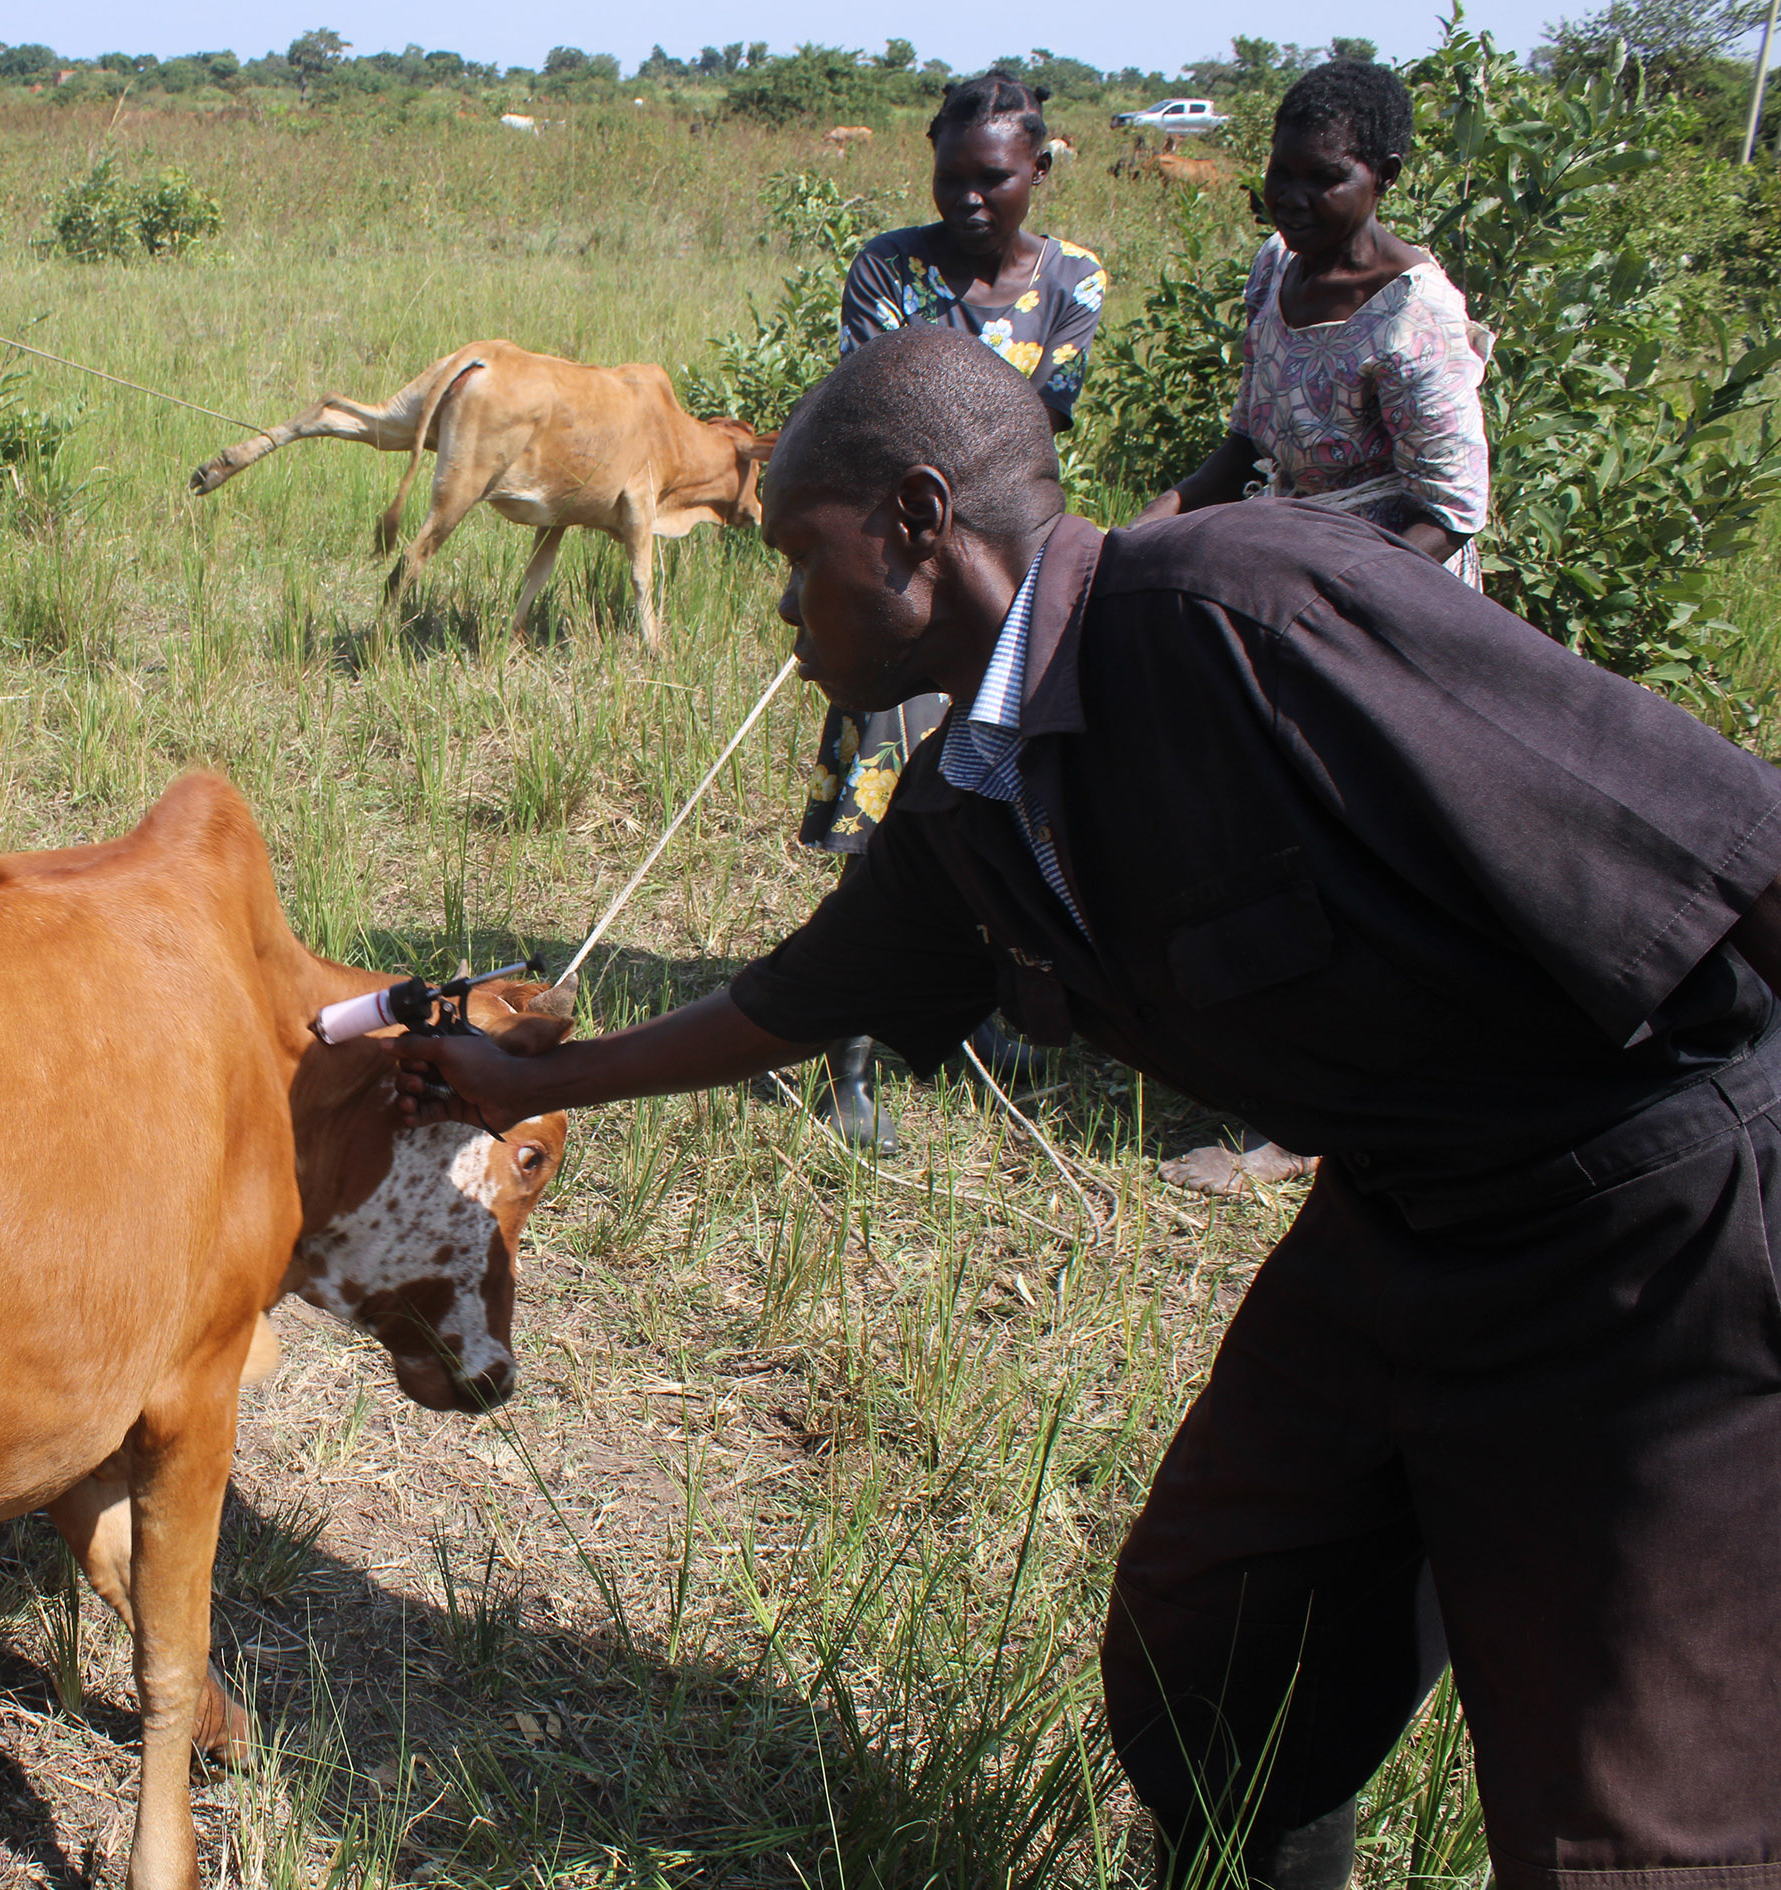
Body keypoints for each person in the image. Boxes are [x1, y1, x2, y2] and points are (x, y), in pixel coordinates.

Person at [393, 326, 1781, 1889]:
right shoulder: (970, 798)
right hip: (1398, 1212)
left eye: (797, 554)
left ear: (916, 523)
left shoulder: (1244, 612)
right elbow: (796, 996)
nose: (780, 607)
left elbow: (1726, 851)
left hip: (1644, 1218)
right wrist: (533, 1078)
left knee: (1634, 1811)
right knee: (1214, 1643)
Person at [1136, 58, 1490, 1194]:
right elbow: (1246, 446)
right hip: (1276, 578)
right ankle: (1267, 1062)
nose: (1292, 203)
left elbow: (1449, 506)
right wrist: (1151, 529)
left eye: (1321, 180)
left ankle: (1314, 1113)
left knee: (1347, 851)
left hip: (1387, 604)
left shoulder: (1414, 311)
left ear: (1382, 175)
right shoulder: (1274, 275)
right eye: (1276, 181)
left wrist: (1330, 606)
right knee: (1246, 832)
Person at [796, 70, 1110, 1151]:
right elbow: (877, 418)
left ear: (1039, 168)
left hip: (998, 592)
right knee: (874, 804)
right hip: (893, 583)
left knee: (995, 796)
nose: (970, 200)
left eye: (994, 179)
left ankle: (981, 1012)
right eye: (951, 178)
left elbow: (1029, 419)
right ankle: (845, 1059)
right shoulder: (887, 265)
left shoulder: (1073, 281)